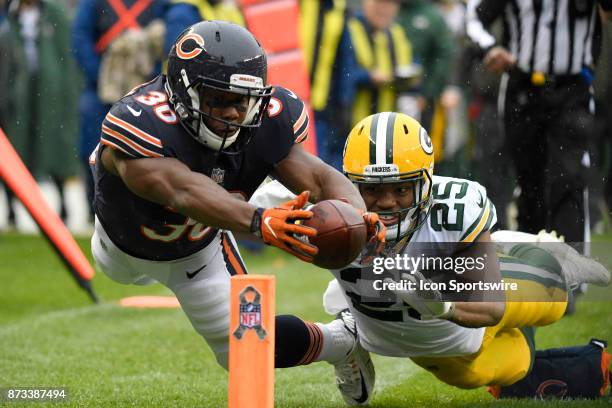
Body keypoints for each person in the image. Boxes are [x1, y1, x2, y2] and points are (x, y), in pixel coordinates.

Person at [90, 20, 386, 391]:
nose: (232, 112)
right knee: (120, 264)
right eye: (219, 99)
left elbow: (318, 177)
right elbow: (181, 191)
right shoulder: (143, 121)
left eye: (241, 100)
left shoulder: (268, 121)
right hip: (117, 244)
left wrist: (354, 212)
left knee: (247, 351)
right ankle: (265, 204)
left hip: (198, 252)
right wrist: (259, 220)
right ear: (183, 92)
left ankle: (342, 342)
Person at [251, 112, 610, 405]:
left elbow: (491, 305)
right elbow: (239, 201)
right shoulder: (326, 216)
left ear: (425, 183)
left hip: (465, 291)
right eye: (373, 190)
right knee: (508, 368)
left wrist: (442, 306)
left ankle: (536, 254)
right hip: (427, 338)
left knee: (554, 299)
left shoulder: (453, 207)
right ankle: (348, 331)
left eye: (401, 188)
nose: (388, 202)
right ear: (349, 183)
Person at [466, 0, 612, 242]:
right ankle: (531, 268)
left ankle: (570, 271)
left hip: (572, 89)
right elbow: (474, 17)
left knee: (569, 179)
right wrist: (490, 47)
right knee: (529, 181)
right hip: (522, 89)